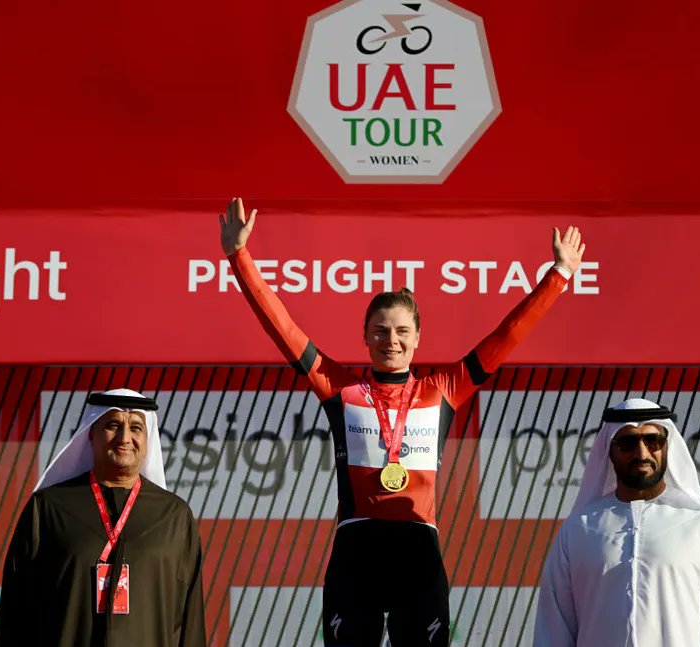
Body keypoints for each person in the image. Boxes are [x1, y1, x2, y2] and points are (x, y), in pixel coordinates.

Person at [219, 198, 585, 646]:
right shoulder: (340, 389)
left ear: (417, 338)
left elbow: (505, 338)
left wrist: (559, 274)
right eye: (380, 331)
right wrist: (239, 255)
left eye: (401, 331)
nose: (390, 340)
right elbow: (283, 328)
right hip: (356, 555)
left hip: (418, 554)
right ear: (365, 337)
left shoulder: (442, 390)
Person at [533, 398, 700, 646]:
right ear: (610, 451)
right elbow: (553, 629)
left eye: (652, 441)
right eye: (628, 443)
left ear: (666, 446)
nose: (642, 453)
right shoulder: (578, 530)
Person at [0, 389, 206, 647]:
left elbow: (190, 621)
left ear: (148, 438)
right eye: (113, 425)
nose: (124, 438)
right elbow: (16, 615)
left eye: (136, 428)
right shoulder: (49, 508)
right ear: (90, 433)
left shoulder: (174, 517)